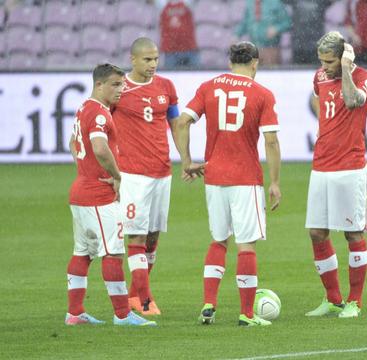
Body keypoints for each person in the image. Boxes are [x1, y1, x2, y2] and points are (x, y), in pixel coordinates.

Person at [173, 41, 282, 326]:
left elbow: (182, 122)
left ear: (230, 61)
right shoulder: (262, 94)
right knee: (246, 246)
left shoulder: (209, 86)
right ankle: (247, 314)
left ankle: (209, 303)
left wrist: (186, 161)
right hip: (245, 178)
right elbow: (271, 140)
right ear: (255, 63)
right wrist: (275, 182)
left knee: (219, 240)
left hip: (214, 176)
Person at [66, 63, 156, 327]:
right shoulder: (100, 114)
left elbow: (73, 143)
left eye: (122, 84)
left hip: (80, 190)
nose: (121, 89)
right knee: (113, 253)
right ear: (99, 85)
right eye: (115, 85)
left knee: (82, 252)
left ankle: (75, 313)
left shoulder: (84, 107)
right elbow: (100, 147)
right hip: (98, 196)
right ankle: (122, 315)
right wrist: (118, 176)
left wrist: (83, 168)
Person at [305, 31, 367, 319]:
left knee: (352, 232)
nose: (324, 67)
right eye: (321, 61)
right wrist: (324, 123)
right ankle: (333, 299)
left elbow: (351, 100)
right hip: (321, 164)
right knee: (317, 232)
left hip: (350, 166)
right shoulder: (319, 77)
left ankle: (354, 301)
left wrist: (345, 69)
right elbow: (317, 97)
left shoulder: (363, 78)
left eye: (330, 61)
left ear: (344, 56)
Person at [111, 37, 180, 316]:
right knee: (136, 237)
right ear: (133, 59)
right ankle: (146, 300)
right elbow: (100, 124)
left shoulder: (166, 86)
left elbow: (175, 124)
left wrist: (185, 159)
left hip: (162, 172)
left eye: (156, 59)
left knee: (152, 237)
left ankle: (133, 295)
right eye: (147, 60)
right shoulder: (119, 88)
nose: (153, 65)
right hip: (133, 174)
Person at [235, 0, 291, 65]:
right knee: (255, 74)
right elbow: (245, 22)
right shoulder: (250, 2)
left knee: (270, 73)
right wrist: (236, 35)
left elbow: (287, 23)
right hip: (253, 50)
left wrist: (276, 29)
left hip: (270, 49)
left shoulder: (275, 2)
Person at [282, 0, 334, 64]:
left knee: (313, 70)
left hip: (314, 43)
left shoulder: (322, 2)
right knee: (298, 71)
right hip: (299, 43)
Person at [158, 0, 200, 69]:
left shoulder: (187, 3)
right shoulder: (162, 4)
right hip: (170, 51)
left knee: (197, 76)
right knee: (170, 77)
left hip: (189, 49)